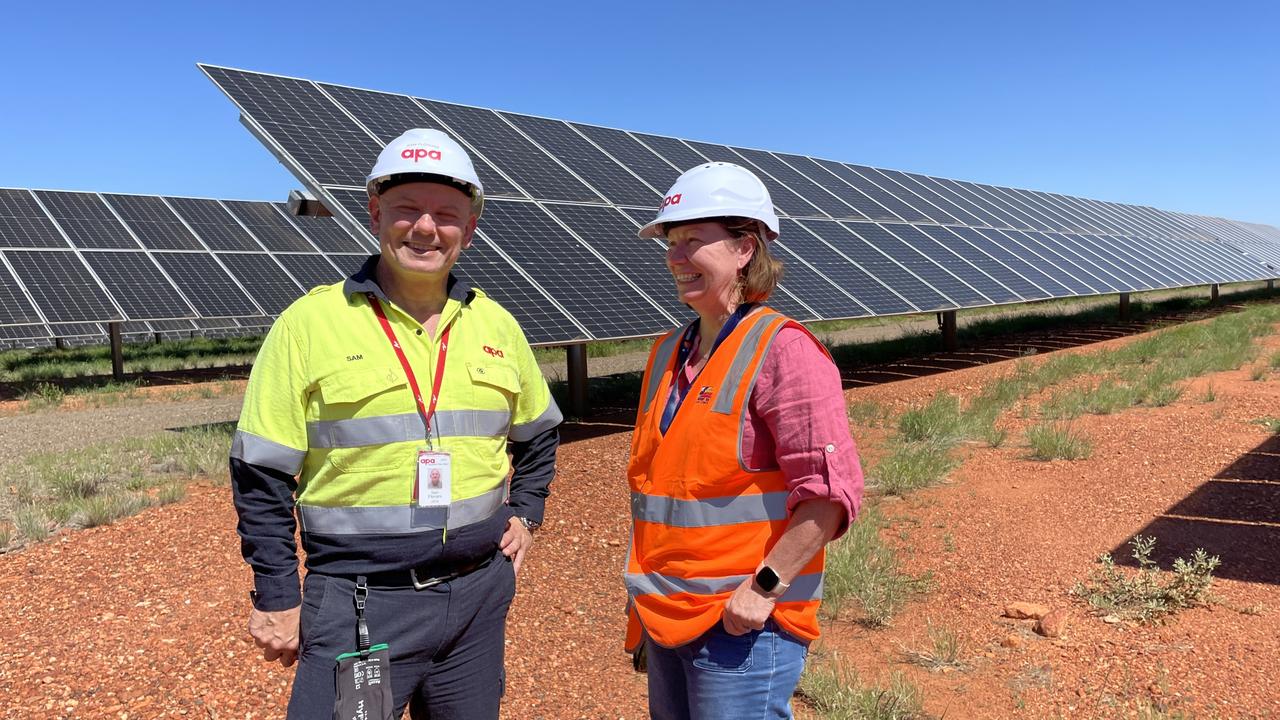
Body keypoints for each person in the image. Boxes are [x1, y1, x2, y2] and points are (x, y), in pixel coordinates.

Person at [229, 128, 561, 719]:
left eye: (446, 215)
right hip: (362, 606)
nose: (426, 228)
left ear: (471, 228)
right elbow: (260, 475)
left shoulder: (497, 326)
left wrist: (527, 512)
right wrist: (277, 594)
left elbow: (538, 434)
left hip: (478, 599)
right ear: (375, 211)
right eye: (408, 209)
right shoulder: (309, 324)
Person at [624, 162, 863, 719]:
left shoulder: (784, 351)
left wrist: (763, 588)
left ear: (744, 249)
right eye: (671, 241)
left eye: (693, 241)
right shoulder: (665, 353)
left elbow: (829, 495)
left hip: (744, 625)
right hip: (665, 616)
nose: (676, 258)